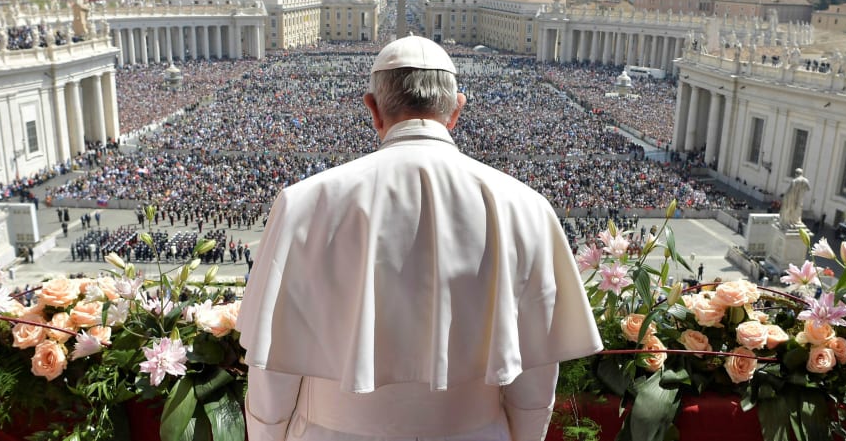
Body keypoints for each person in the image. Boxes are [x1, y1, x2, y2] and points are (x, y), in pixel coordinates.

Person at [236, 36, 602, 441]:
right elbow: (534, 374)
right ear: (456, 110)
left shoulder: (303, 203)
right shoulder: (526, 207)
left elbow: (273, 370)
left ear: (373, 109)